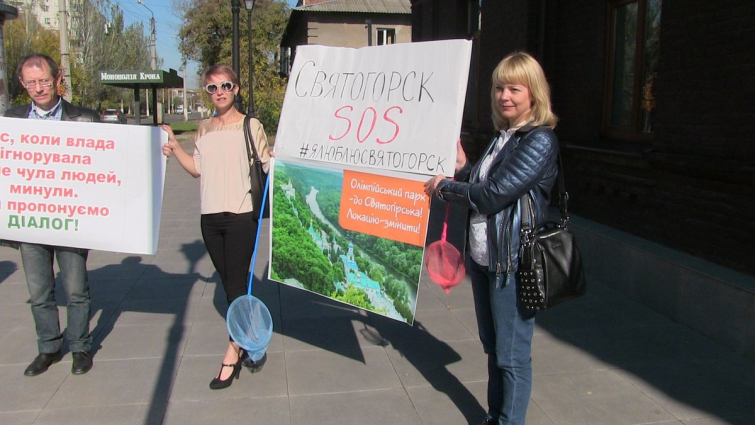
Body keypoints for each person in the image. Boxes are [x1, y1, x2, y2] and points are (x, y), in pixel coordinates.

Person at [424, 52, 559, 425]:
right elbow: (483, 183)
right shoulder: (504, 137)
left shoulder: (540, 140)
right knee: (494, 348)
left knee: (512, 356)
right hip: (486, 260)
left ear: (533, 93)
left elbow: (493, 195)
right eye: (499, 88)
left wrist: (446, 187)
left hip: (512, 263)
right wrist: (464, 167)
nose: (504, 96)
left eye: (514, 89)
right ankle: (495, 416)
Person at [161, 65, 272, 390]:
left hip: (241, 216)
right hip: (209, 219)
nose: (219, 92)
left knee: (235, 286)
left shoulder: (250, 125)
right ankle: (248, 338)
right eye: (212, 87)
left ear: (236, 89)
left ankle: (232, 353)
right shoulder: (204, 128)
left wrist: (279, 158)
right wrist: (175, 146)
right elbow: (197, 169)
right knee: (229, 284)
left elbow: (267, 166)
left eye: (225, 86)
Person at [4, 54, 100, 376]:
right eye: (31, 82)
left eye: (44, 80)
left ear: (57, 78)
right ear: (22, 84)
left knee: (76, 290)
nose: (38, 88)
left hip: (71, 220)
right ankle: (48, 348)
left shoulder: (85, 118)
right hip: (32, 221)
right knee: (39, 292)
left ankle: (80, 347)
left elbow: (106, 164)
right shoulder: (11, 120)